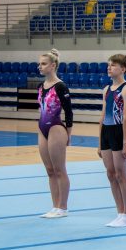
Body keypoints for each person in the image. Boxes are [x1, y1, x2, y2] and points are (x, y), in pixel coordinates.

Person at [99, 54, 126, 228]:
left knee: (121, 174)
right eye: (108, 65)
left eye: (113, 65)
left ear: (123, 69)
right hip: (106, 131)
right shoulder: (106, 89)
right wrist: (100, 142)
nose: (109, 68)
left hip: (119, 131)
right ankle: (119, 212)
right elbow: (102, 116)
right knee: (111, 174)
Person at [36, 49, 72, 219]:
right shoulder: (40, 86)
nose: (39, 67)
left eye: (43, 64)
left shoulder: (61, 86)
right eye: (39, 64)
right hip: (42, 127)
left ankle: (63, 207)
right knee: (50, 170)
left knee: (59, 169)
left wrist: (69, 134)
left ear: (53, 66)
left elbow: (69, 112)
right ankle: (54, 206)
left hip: (56, 127)